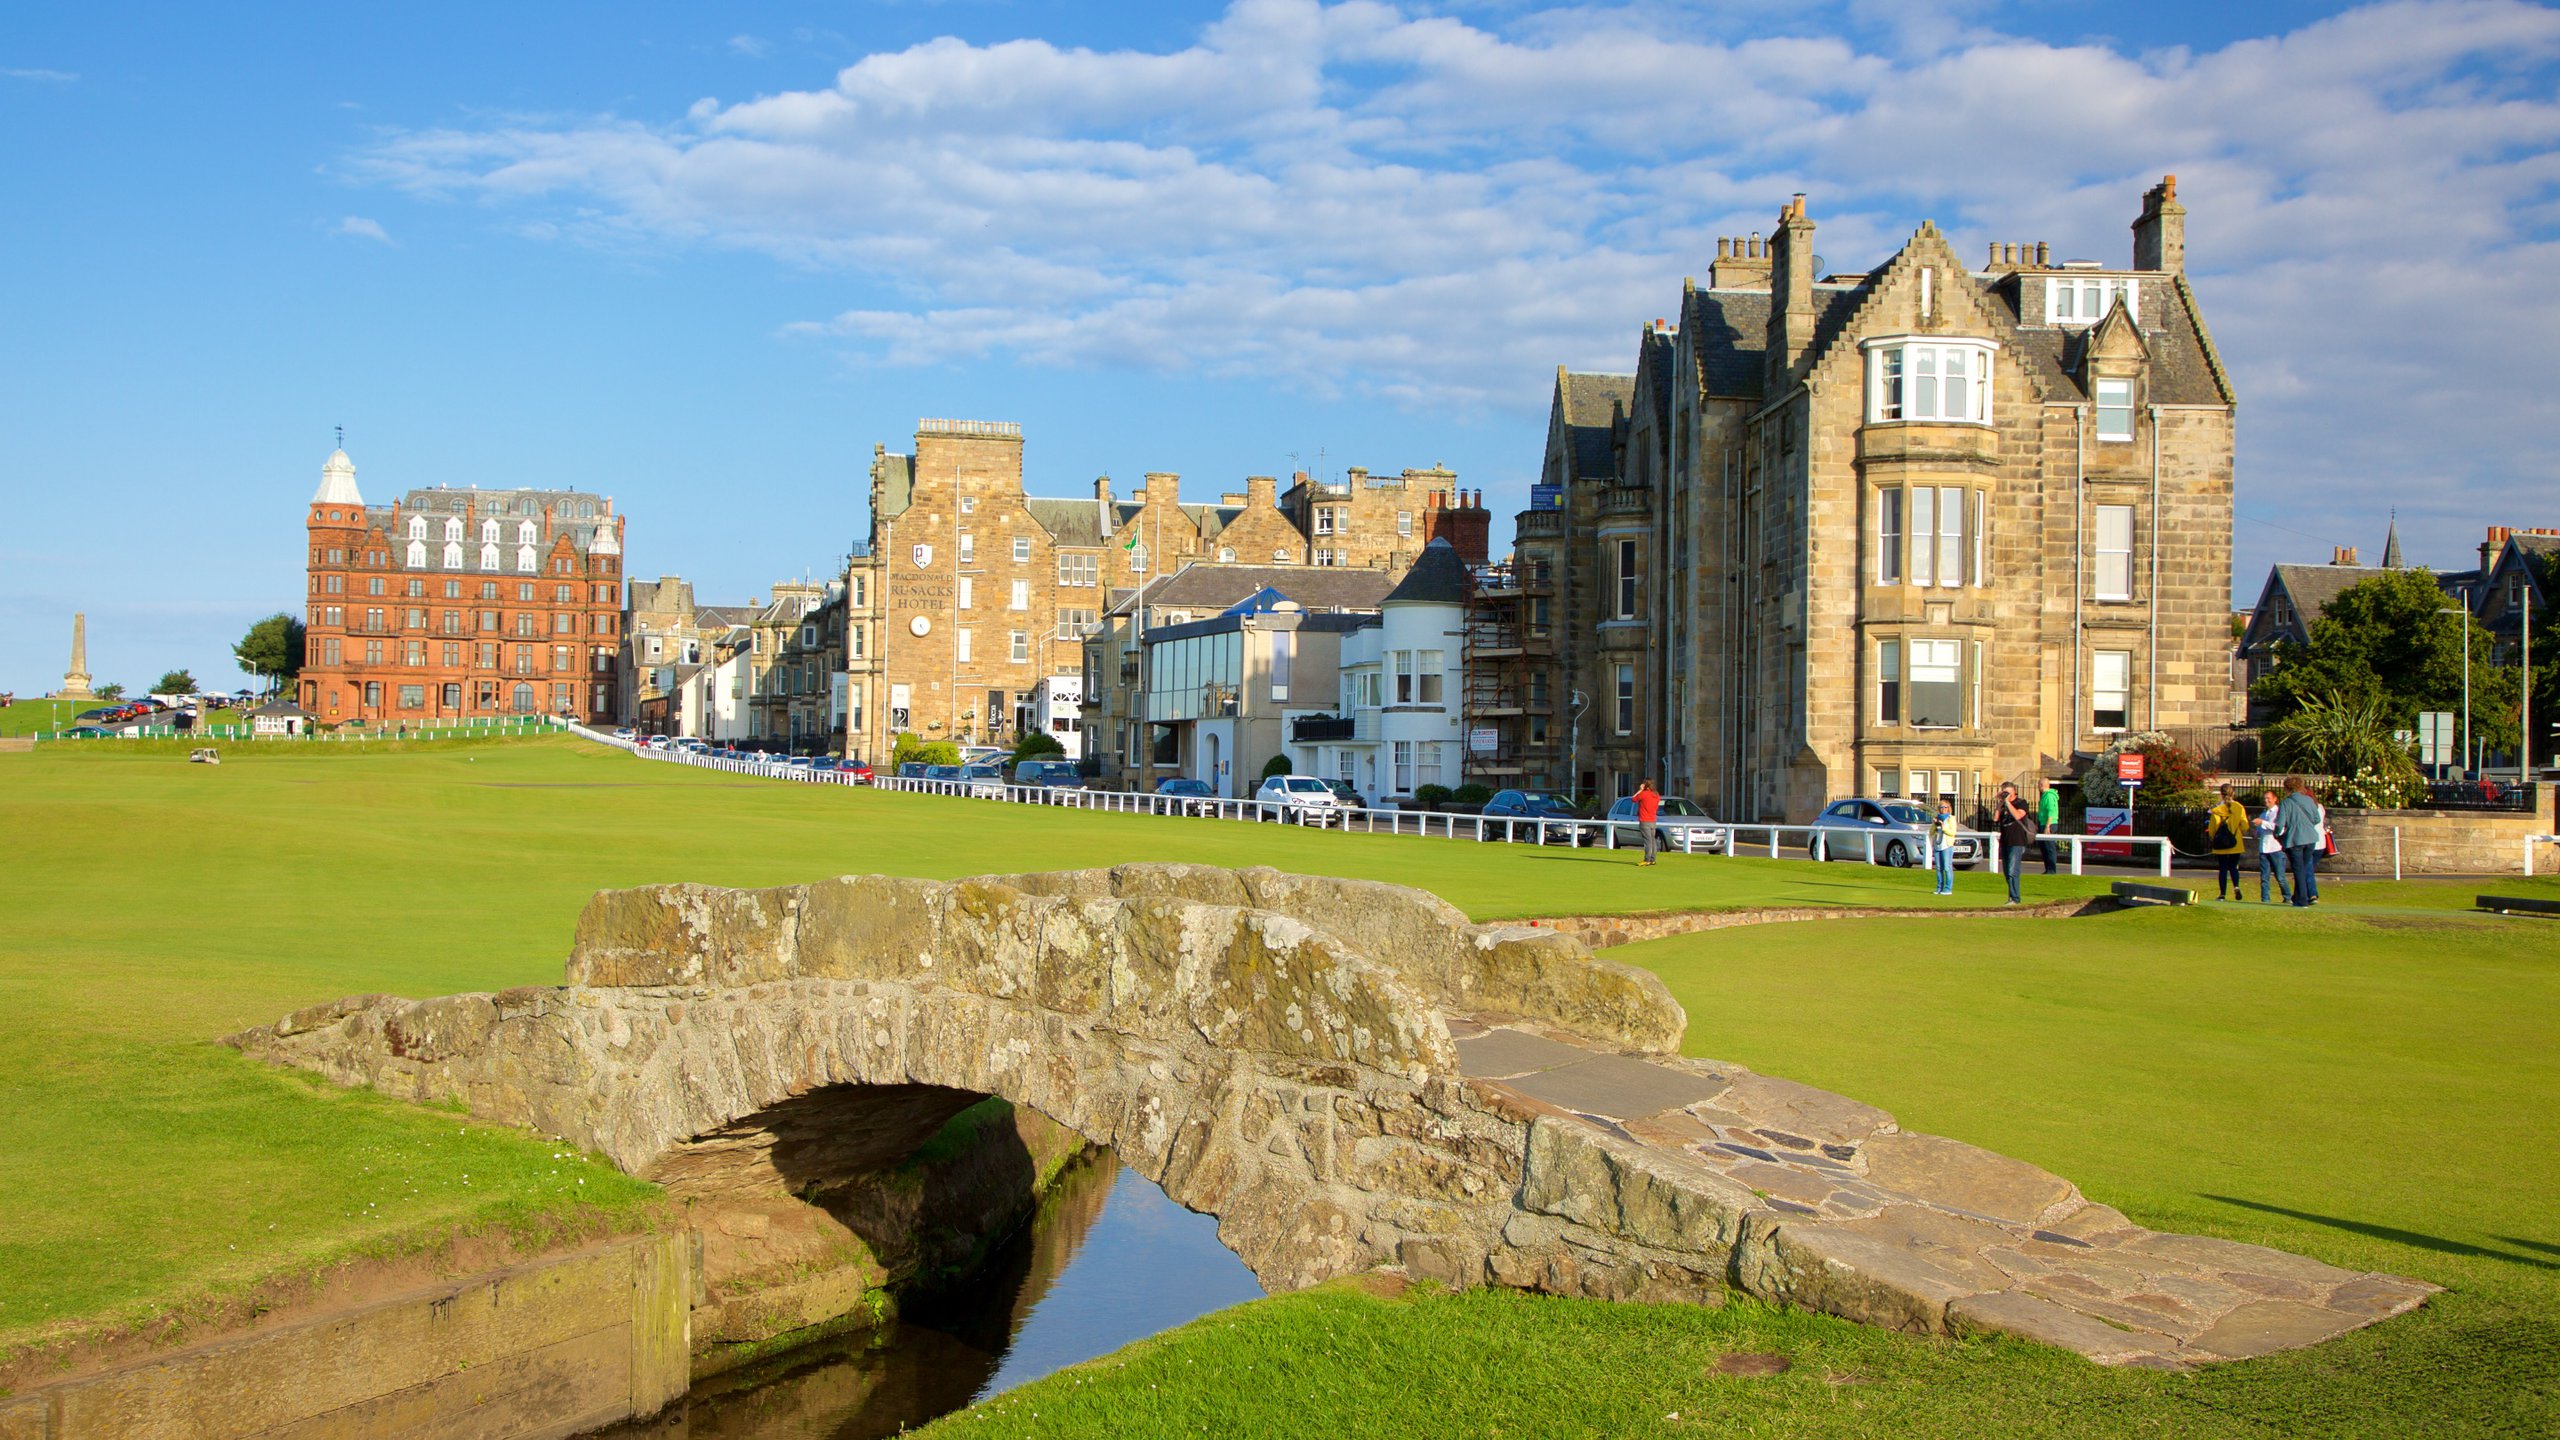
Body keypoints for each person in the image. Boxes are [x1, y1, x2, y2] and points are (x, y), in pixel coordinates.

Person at [2276, 776, 2324, 907]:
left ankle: (2302, 900)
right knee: (2303, 867)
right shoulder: (2309, 800)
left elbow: (2280, 824)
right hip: (2310, 838)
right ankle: (2297, 897)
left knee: (2298, 869)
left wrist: (2277, 834)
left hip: (2295, 839)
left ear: (2287, 788)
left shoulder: (2286, 803)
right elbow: (2316, 819)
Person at [1994, 781, 2038, 905]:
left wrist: (2008, 803)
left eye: (2008, 792)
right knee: (2007, 872)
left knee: (2013, 871)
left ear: (2014, 791)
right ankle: (2011, 897)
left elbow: (2018, 815)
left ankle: (2015, 898)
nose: (2006, 794)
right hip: (2005, 841)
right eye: (2004, 792)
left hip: (2017, 841)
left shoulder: (2021, 803)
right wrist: (2000, 803)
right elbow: (1995, 818)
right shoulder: (2003, 805)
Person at [2207, 783, 2251, 900]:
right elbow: (2245, 825)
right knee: (2233, 866)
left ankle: (2222, 894)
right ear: (2234, 793)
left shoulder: (2216, 810)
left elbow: (2212, 828)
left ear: (2221, 794)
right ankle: (2236, 886)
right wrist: (2238, 832)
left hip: (2221, 842)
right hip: (2235, 841)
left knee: (2222, 868)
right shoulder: (2239, 807)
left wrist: (2213, 836)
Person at [2254, 788, 2291, 904]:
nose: (2266, 801)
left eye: (2268, 798)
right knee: (2264, 876)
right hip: (2264, 849)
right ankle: (2265, 899)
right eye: (2264, 798)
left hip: (2276, 848)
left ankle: (2288, 896)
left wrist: (2263, 823)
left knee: (2280, 876)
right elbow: (2260, 830)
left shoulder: (2278, 812)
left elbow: (2277, 828)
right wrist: (2256, 832)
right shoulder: (2263, 814)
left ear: (2275, 799)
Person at [1930, 796, 1959, 896]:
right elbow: (1931, 833)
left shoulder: (1951, 819)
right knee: (1938, 868)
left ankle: (1948, 888)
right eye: (1941, 807)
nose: (1943, 809)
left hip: (1947, 845)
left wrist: (1943, 827)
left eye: (1945, 807)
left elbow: (1952, 832)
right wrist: (1935, 824)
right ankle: (1939, 887)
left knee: (1947, 867)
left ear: (1949, 808)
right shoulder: (1937, 819)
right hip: (1938, 845)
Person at [1634, 779, 1662, 867]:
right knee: (1652, 840)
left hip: (1644, 820)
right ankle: (1653, 859)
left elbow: (1633, 799)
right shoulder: (1656, 794)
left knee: (1648, 841)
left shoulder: (1643, 794)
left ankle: (1647, 859)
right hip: (1653, 820)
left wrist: (1640, 790)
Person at [2037, 780, 2062, 874]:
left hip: (2049, 824)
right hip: (2043, 823)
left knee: (2049, 847)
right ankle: (2048, 869)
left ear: (2041, 785)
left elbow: (2051, 811)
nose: (2038, 787)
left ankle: (2051, 870)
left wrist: (2047, 825)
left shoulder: (2049, 796)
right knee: (2044, 847)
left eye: (2038, 785)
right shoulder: (2045, 796)